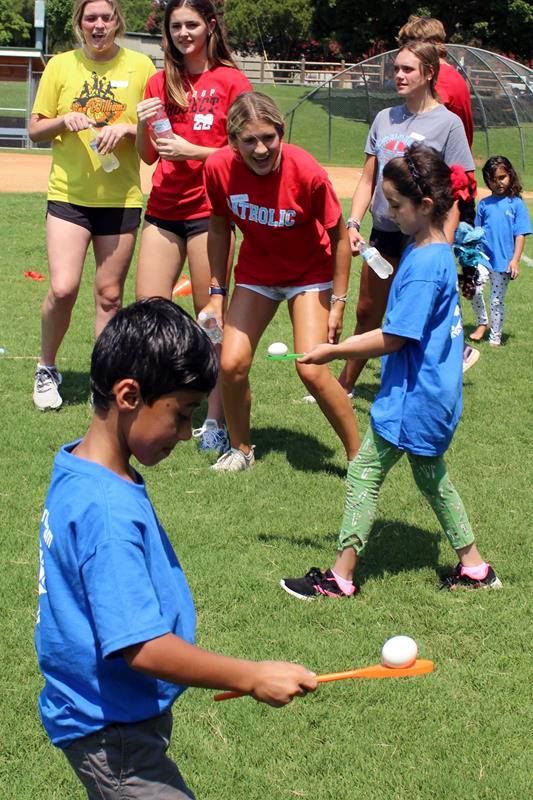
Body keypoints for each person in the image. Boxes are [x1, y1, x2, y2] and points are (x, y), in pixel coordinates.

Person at [35, 298, 317, 798]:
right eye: (182, 414)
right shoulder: (106, 511)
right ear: (129, 395)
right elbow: (140, 645)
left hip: (108, 717)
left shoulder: (80, 468)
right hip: (112, 733)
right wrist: (252, 676)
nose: (187, 433)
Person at [280, 145, 501, 600]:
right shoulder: (435, 251)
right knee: (432, 478)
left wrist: (331, 350)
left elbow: (394, 337)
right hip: (435, 395)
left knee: (364, 473)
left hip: (413, 399)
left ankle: (340, 578)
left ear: (425, 206)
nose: (389, 213)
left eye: (396, 206)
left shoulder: (423, 265)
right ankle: (475, 568)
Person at [200, 91, 360, 472]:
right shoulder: (219, 168)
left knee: (311, 366)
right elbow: (220, 228)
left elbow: (339, 238)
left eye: (268, 138)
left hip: (310, 275)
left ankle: (360, 457)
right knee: (232, 363)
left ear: (281, 132)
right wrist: (216, 292)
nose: (260, 149)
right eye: (249, 140)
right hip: (257, 274)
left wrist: (338, 302)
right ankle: (242, 449)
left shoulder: (307, 172)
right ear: (232, 140)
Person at [135, 0, 251, 454]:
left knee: (210, 319)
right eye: (176, 26)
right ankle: (159, 404)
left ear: (210, 26)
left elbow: (247, 151)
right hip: (164, 206)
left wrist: (195, 151)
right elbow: (149, 155)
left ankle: (215, 421)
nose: (184, 33)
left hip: (210, 211)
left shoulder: (231, 81)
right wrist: (145, 127)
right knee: (148, 312)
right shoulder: (159, 80)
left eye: (192, 25)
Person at [28, 0, 156, 411]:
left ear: (117, 21)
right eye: (90, 18)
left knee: (109, 296)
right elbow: (35, 129)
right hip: (69, 195)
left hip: (120, 199)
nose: (98, 25)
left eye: (105, 18)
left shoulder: (141, 66)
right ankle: (46, 368)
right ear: (80, 23)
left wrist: (128, 129)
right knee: (64, 288)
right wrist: (64, 120)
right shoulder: (61, 66)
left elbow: (154, 131)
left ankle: (103, 378)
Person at [339, 40, 475, 395]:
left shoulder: (449, 124)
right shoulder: (385, 118)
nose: (398, 75)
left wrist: (442, 247)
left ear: (429, 73)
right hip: (384, 230)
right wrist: (353, 223)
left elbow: (457, 190)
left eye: (407, 69)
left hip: (423, 236)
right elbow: (368, 177)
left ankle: (427, 385)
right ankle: (345, 385)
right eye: (396, 68)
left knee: (418, 314)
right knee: (368, 310)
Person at [469, 156, 531, 346]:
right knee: (473, 288)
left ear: (510, 175)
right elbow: (476, 232)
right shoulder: (484, 205)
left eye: (502, 177)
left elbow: (520, 234)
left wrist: (515, 260)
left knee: (496, 300)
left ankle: (495, 337)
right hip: (483, 257)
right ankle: (482, 322)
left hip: (503, 262)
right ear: (487, 181)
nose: (498, 183)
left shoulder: (517, 204)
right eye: (493, 179)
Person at [397, 15, 474, 147]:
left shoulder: (439, 79)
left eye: (409, 45)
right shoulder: (451, 74)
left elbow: (426, 128)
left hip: (437, 164)